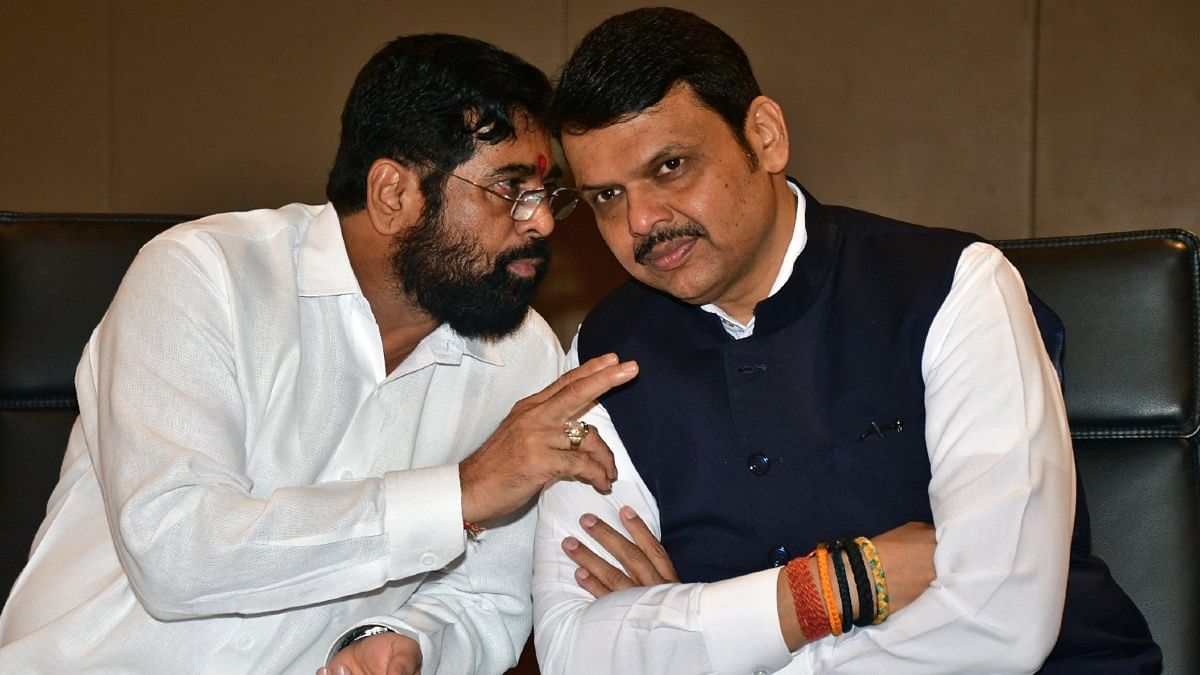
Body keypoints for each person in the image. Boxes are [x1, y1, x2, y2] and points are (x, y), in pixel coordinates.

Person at [532, 8, 1161, 674]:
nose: (640, 220)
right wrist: (830, 590)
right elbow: (573, 650)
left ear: (765, 137)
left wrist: (694, 638)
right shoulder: (605, 349)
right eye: (606, 196)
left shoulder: (953, 288)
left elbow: (999, 620)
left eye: (670, 166)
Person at [0, 34, 638, 675]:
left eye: (545, 193)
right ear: (393, 193)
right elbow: (177, 552)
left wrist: (411, 640)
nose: (542, 222)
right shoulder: (203, 276)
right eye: (510, 189)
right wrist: (460, 494)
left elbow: (486, 597)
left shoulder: (524, 355)